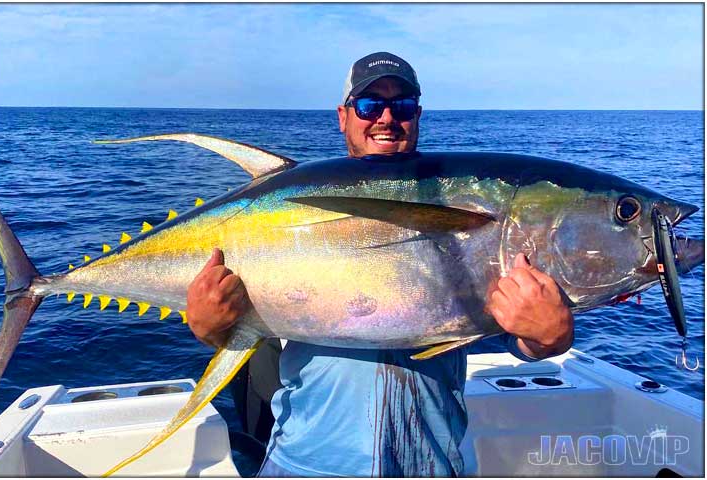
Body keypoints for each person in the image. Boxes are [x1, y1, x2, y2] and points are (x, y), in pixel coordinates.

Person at [187, 52, 574, 477]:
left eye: (402, 105)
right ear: (344, 116)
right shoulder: (293, 200)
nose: (386, 118)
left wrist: (547, 340)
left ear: (418, 114)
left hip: (430, 465)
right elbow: (228, 321)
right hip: (304, 462)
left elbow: (514, 332)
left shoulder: (463, 197)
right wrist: (208, 327)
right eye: (370, 105)